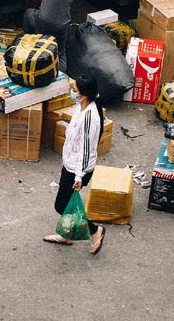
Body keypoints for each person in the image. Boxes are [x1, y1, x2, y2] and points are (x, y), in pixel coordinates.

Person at [42, 75, 106, 255]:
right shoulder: (82, 107)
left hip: (78, 168)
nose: (72, 91)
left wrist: (78, 176)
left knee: (62, 205)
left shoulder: (89, 117)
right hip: (70, 163)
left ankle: (95, 230)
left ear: (84, 95)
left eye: (75, 90)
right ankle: (67, 234)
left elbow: (86, 149)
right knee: (66, 203)